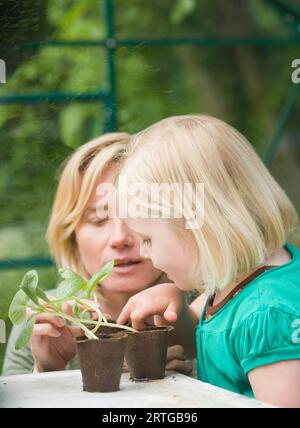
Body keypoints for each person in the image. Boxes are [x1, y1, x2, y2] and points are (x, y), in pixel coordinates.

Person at [116, 114, 300, 407]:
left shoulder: (267, 315)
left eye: (148, 238)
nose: (143, 252)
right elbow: (213, 337)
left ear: (198, 226)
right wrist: (174, 305)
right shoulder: (239, 282)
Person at [2, 132, 192, 376]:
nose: (119, 238)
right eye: (99, 219)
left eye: (138, 215)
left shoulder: (209, 307)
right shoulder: (45, 321)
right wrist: (49, 371)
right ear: (71, 236)